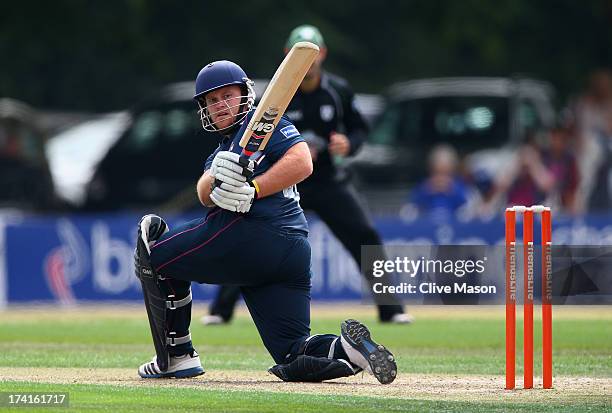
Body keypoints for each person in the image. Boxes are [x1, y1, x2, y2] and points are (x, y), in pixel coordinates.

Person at [133, 59, 397, 384]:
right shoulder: (224, 148)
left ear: (245, 94)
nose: (219, 105)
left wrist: (254, 188)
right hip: (291, 250)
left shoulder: (264, 125)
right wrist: (216, 175)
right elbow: (203, 190)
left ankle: (176, 356)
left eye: (226, 95)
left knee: (153, 253)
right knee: (293, 352)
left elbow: (302, 162)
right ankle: (350, 350)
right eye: (212, 101)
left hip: (250, 235)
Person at [202, 25, 411, 326]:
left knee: (365, 235)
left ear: (322, 54)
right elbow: (253, 138)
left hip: (327, 181)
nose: (309, 61)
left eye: (313, 53)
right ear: (289, 56)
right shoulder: (275, 95)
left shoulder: (338, 90)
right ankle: (221, 311)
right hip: (281, 182)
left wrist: (348, 143)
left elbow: (360, 129)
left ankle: (391, 309)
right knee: (249, 235)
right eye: (300, 53)